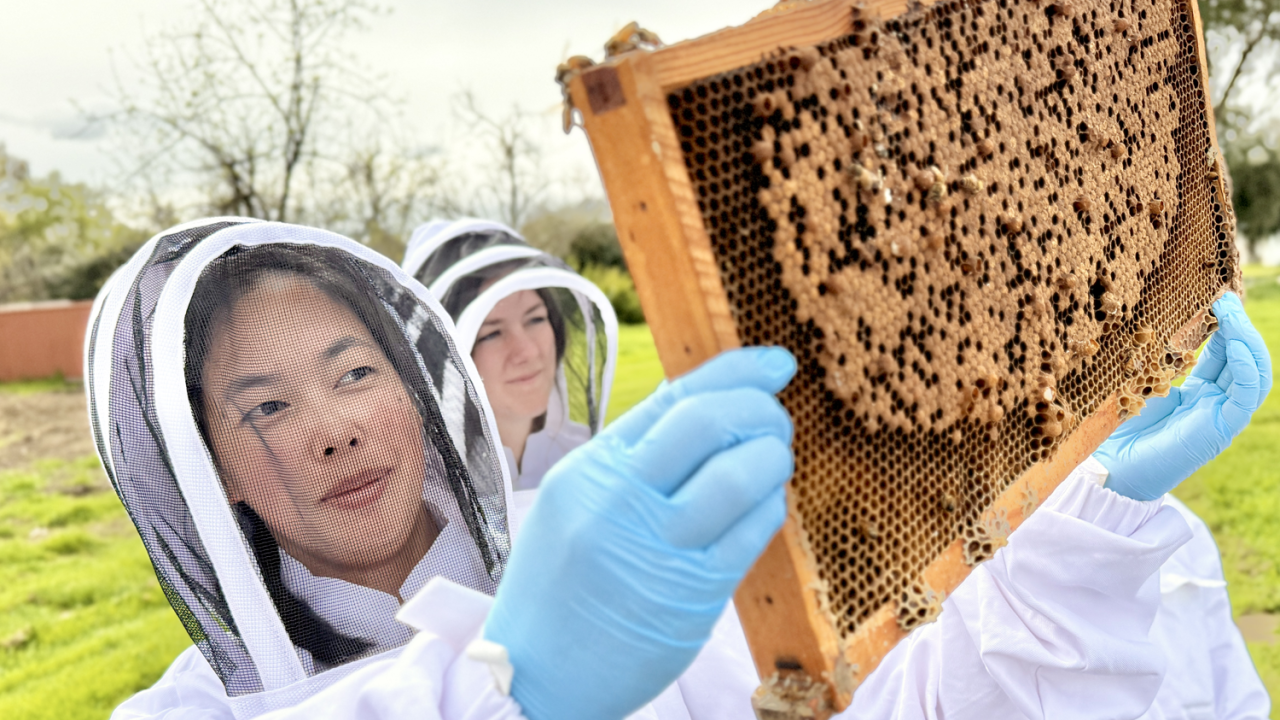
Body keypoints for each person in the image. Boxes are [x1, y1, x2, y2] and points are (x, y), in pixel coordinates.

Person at [96, 219, 1270, 719]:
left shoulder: (614, 546)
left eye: (353, 375)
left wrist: (1075, 530)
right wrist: (516, 692)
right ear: (209, 477)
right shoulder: (184, 711)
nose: (334, 428)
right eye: (265, 406)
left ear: (411, 389)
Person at [402, 220, 616, 528]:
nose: (527, 351)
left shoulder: (592, 455)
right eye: (491, 333)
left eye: (536, 319)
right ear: (445, 359)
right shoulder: (423, 499)